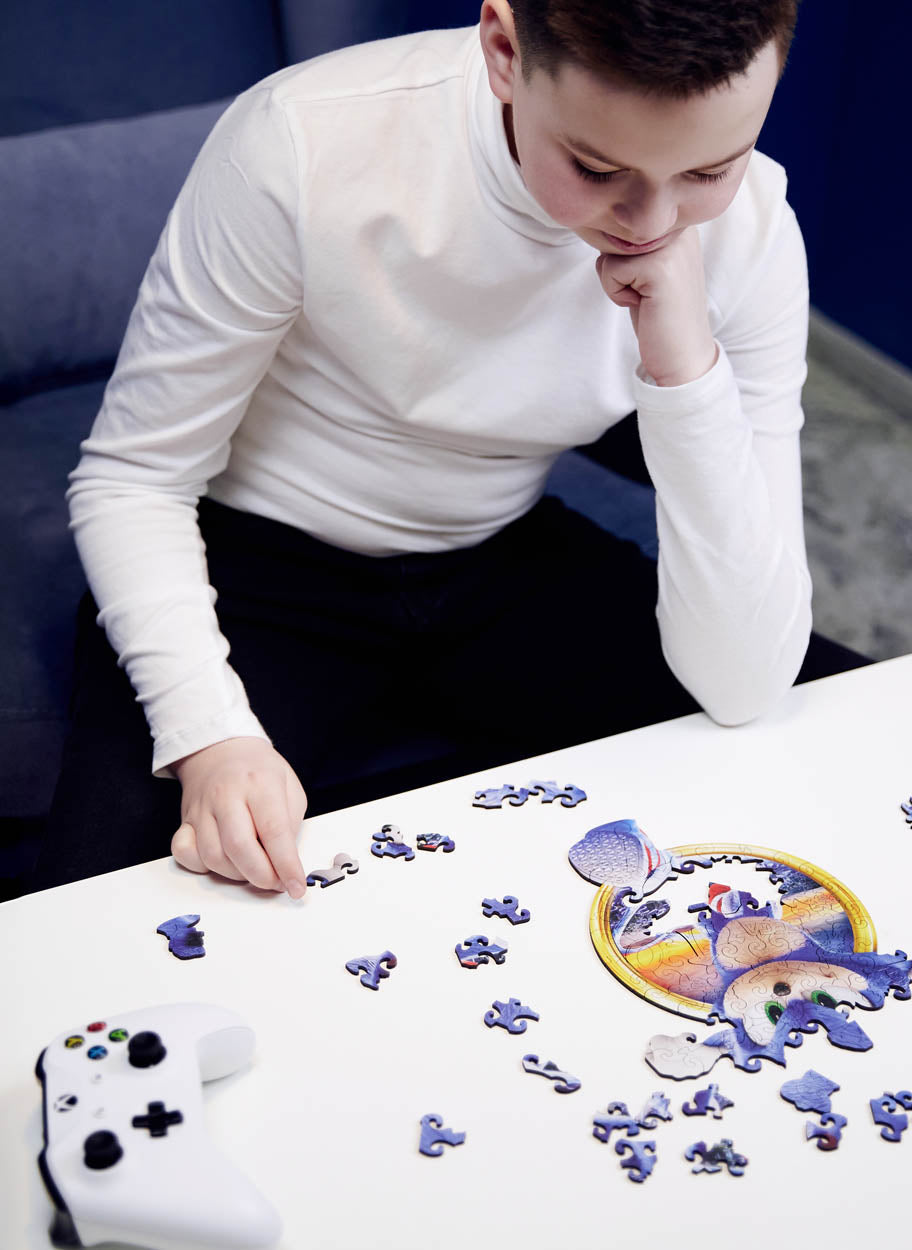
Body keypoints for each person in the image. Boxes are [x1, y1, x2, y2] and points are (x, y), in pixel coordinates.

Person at [32, 0, 869, 896]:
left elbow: (744, 683)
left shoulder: (754, 229)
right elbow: (134, 477)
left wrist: (685, 364)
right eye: (597, 168)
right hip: (255, 570)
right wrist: (212, 740)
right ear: (505, 50)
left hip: (502, 556)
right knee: (98, 903)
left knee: (851, 742)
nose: (652, 223)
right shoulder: (303, 141)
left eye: (709, 169)